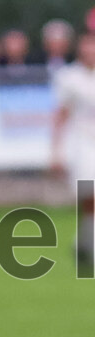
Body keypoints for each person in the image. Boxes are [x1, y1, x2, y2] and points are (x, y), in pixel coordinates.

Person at [52, 32, 95, 265]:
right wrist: (55, 151)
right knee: (89, 193)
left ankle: (84, 242)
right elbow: (61, 114)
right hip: (82, 142)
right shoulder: (69, 77)